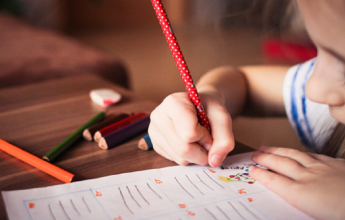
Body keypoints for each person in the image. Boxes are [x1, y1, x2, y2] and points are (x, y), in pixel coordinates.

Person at [148, 0, 345, 219]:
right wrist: (211, 98)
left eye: (344, 65)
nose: (312, 89)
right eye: (318, 54)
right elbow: (243, 82)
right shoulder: (326, 93)